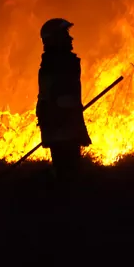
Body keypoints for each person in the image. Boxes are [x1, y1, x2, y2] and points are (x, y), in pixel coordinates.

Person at [36, 18, 91, 182]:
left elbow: (71, 102)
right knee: (68, 176)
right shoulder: (56, 65)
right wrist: (77, 130)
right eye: (65, 34)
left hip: (66, 130)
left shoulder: (63, 62)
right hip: (61, 131)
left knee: (69, 175)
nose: (70, 38)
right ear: (54, 38)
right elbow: (62, 104)